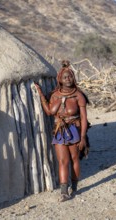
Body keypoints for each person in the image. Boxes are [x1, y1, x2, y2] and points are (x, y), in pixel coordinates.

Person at [35, 60, 89, 202]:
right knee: (63, 161)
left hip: (74, 130)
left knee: (74, 159)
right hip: (59, 130)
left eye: (70, 76)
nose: (68, 79)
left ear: (73, 78)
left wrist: (83, 137)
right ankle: (64, 192)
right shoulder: (55, 95)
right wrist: (41, 94)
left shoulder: (78, 95)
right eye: (65, 77)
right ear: (60, 79)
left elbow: (84, 118)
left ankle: (75, 187)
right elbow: (48, 111)